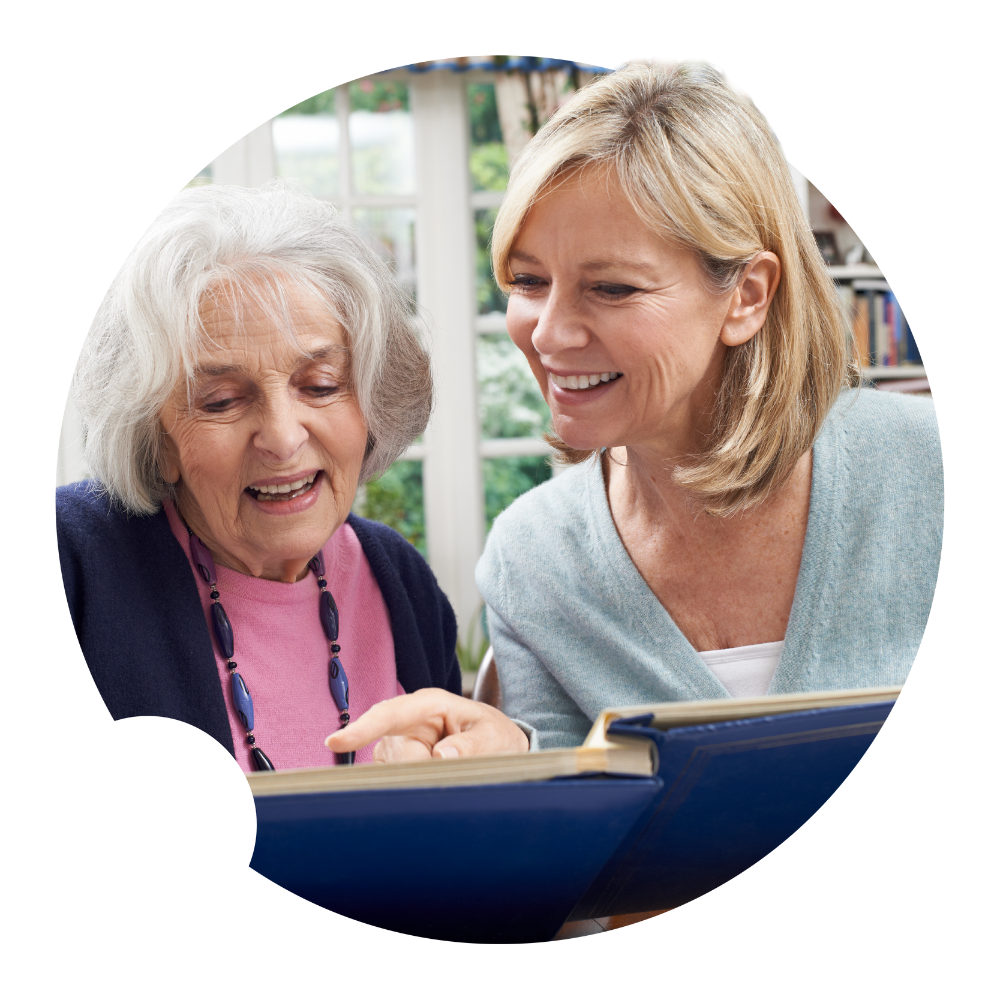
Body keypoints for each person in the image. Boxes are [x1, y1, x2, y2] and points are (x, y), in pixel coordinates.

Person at [328, 55, 944, 757]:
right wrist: (508, 766)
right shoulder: (535, 560)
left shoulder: (928, 470)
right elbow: (570, 834)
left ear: (746, 295)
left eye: (612, 288)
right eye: (529, 280)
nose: (549, 333)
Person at [54, 181, 522, 772]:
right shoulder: (75, 563)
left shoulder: (399, 580)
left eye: (321, 385)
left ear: (371, 402)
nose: (282, 436)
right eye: (221, 400)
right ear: (158, 437)